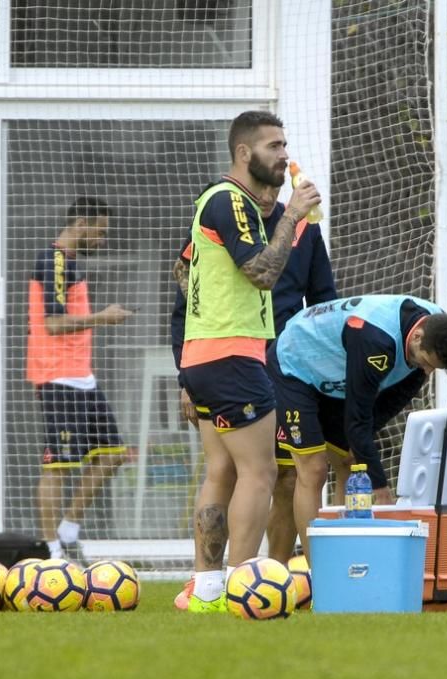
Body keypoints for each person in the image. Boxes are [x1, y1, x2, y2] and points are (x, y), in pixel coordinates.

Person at [177, 110, 321, 613]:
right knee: (259, 473)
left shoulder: (222, 204)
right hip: (233, 355)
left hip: (204, 356)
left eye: (285, 145)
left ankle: (207, 589)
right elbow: (262, 272)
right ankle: (242, 584)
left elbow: (183, 271)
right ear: (245, 153)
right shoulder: (229, 199)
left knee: (220, 470)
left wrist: (185, 363)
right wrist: (291, 216)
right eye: (274, 146)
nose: (284, 155)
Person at [266, 294, 447, 560]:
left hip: (334, 374)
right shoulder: (375, 340)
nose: (427, 372)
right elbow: (357, 419)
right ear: (417, 336)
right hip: (295, 366)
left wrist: (365, 453)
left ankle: (341, 562)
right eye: (426, 362)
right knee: (313, 470)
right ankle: (318, 572)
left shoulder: (439, 326)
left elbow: (394, 399)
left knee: (352, 463)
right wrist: (380, 487)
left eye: (435, 368)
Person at [27, 196, 134, 561]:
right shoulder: (53, 260)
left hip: (81, 377)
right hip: (57, 377)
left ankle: (68, 531)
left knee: (114, 454)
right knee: (57, 465)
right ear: (82, 224)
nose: (102, 240)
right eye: (100, 232)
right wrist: (103, 317)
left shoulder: (71, 262)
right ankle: (51, 549)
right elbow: (53, 323)